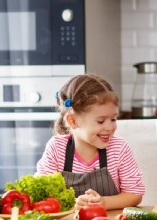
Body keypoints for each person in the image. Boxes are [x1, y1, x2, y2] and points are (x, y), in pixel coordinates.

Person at [36, 74, 145, 210]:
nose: (110, 127)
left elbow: (134, 194)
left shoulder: (119, 148)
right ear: (73, 121)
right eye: (100, 121)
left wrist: (104, 203)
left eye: (113, 119)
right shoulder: (57, 148)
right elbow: (43, 195)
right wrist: (72, 203)